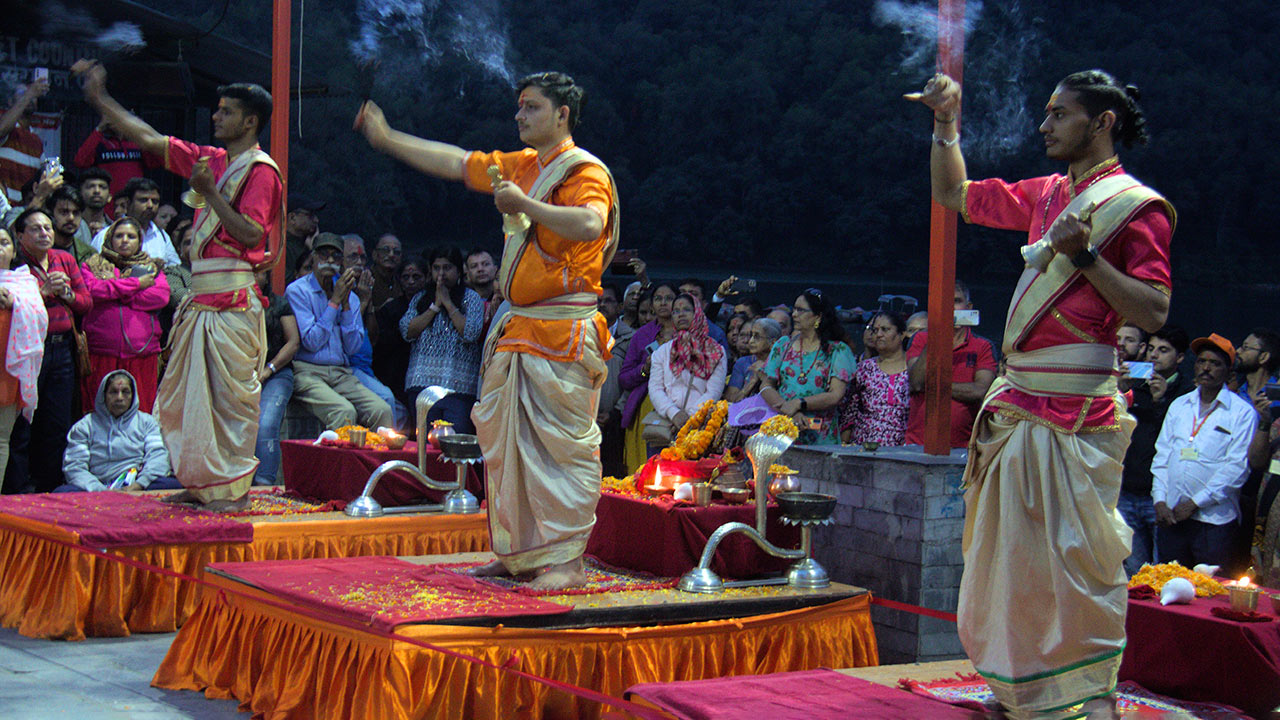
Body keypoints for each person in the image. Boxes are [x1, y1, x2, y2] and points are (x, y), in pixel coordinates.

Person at [909, 68, 1174, 717]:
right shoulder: (1046, 193)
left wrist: (1085, 257)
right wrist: (946, 123)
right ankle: (1023, 690)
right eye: (1046, 113)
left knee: (1077, 565)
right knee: (1010, 560)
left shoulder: (1136, 207)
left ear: (1102, 122)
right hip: (1019, 402)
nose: (1044, 124)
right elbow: (955, 193)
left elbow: (1155, 312)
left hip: (1080, 412)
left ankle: (1088, 697)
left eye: (1059, 114)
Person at [357, 70, 619, 589]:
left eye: (531, 107)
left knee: (562, 449)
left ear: (562, 115)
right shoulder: (521, 165)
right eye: (519, 107)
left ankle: (566, 563)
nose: (519, 116)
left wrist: (525, 206)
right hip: (519, 328)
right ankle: (519, 552)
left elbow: (590, 224)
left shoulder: (584, 171)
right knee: (506, 446)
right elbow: (456, 162)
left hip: (563, 329)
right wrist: (388, 140)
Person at [75, 59, 284, 511]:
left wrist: (208, 193)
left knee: (229, 406)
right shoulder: (211, 160)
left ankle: (231, 492)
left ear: (250, 121)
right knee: (188, 403)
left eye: (226, 112)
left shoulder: (260, 171)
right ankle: (204, 483)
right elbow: (148, 138)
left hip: (231, 303)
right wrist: (99, 99)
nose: (216, 117)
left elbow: (252, 235)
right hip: (201, 302)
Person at [5, 208, 91, 494]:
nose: (44, 233)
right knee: (23, 420)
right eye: (35, 229)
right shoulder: (15, 267)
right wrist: (43, 292)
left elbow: (85, 303)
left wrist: (64, 293)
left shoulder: (64, 259)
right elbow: (15, 308)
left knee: (57, 422)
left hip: (63, 349)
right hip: (30, 350)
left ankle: (49, 486)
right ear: (19, 236)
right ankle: (17, 487)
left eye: (47, 228)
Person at [1151, 334, 1255, 568]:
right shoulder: (1179, 405)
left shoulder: (1242, 413)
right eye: (1201, 361)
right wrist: (1159, 499)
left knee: (1209, 594)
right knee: (1168, 588)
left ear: (1229, 372)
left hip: (1213, 522)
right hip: (1172, 517)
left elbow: (1236, 468)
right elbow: (1162, 456)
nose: (1206, 368)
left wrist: (1195, 503)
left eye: (1215, 363)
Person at [286, 233, 393, 431]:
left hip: (341, 373)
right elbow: (311, 341)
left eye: (335, 256)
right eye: (323, 255)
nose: (329, 260)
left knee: (382, 410)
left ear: (341, 262)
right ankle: (340, 462)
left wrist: (344, 306)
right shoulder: (297, 291)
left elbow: (352, 347)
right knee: (344, 412)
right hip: (307, 371)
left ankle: (373, 462)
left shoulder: (350, 297)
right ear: (314, 257)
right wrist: (334, 302)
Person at [1119, 324, 1193, 575]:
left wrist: (1161, 402)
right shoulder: (1132, 386)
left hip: (1160, 499)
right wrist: (1120, 391)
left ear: (1180, 357)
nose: (1154, 355)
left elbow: (1178, 442)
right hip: (1127, 492)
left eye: (1163, 350)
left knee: (1163, 570)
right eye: (1151, 348)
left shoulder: (1187, 395)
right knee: (1133, 570)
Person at [80, 216, 169, 413]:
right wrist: (135, 285)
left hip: (142, 355)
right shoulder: (92, 265)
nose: (125, 240)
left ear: (139, 241)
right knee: (99, 411)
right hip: (101, 353)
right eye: (119, 235)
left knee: (140, 412)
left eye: (131, 236)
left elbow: (160, 297)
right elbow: (93, 291)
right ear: (110, 238)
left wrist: (117, 293)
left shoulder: (152, 268)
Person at [401, 245, 485, 432]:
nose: (441, 273)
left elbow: (471, 333)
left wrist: (448, 303)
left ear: (458, 270)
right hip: (421, 387)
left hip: (458, 391)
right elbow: (407, 331)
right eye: (436, 268)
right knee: (425, 449)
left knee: (453, 450)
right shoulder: (420, 299)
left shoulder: (471, 299)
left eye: (447, 268)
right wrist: (434, 307)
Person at [904, 282, 998, 449]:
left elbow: (980, 391)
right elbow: (917, 382)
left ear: (968, 307)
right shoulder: (921, 339)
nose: (950, 307)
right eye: (944, 301)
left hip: (964, 447)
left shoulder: (983, 346)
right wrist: (937, 335)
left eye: (956, 301)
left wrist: (933, 385)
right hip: (918, 444)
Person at [760, 288, 855, 445]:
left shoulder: (837, 351)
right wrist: (788, 409)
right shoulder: (783, 345)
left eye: (801, 310)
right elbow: (766, 385)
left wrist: (799, 403)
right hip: (783, 431)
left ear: (818, 316)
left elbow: (836, 395)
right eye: (794, 309)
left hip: (820, 436)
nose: (794, 314)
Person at [59, 370, 179, 492]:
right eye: (113, 392)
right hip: (96, 487)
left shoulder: (146, 422)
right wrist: (99, 489)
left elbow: (158, 457)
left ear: (133, 395)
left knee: (176, 485)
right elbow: (74, 466)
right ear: (103, 395)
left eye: (125, 392)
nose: (119, 398)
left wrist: (138, 484)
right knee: (62, 493)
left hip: (135, 485)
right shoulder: (85, 426)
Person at [647, 293, 727, 452]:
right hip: (666, 425)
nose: (680, 314)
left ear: (697, 313)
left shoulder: (716, 351)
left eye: (686, 310)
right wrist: (674, 414)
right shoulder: (662, 352)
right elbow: (655, 388)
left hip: (701, 428)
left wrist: (690, 418)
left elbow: (714, 391)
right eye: (676, 311)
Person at [0, 226, 47, 486]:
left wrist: (14, 304)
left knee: (0, 438)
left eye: (4, 242)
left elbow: (40, 320)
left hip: (7, 369)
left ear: (14, 250)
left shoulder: (24, 284)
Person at [620, 283, 678, 472]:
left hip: (681, 405)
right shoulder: (642, 335)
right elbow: (624, 378)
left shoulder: (689, 333)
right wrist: (644, 369)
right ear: (652, 305)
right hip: (646, 406)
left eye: (669, 298)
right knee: (643, 467)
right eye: (658, 299)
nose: (663, 303)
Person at [253, 267, 299, 485]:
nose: (253, 278)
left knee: (266, 423)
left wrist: (268, 370)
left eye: (257, 272)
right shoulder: (231, 307)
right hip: (240, 374)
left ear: (266, 276)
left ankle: (264, 484)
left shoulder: (278, 303)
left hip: (276, 373)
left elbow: (293, 343)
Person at [841, 311, 911, 446]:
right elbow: (849, 414)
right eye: (875, 330)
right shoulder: (864, 368)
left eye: (885, 330)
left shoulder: (914, 369)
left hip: (903, 451)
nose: (878, 335)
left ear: (901, 334)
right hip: (864, 448)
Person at [371, 259, 426, 419]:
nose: (411, 282)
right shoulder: (390, 308)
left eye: (416, 277)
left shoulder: (433, 306)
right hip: (394, 372)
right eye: (406, 277)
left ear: (427, 277)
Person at [90, 178, 180, 267]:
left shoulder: (162, 236)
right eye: (143, 200)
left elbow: (175, 268)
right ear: (128, 203)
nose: (150, 205)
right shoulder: (106, 235)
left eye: (155, 201)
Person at [73, 117, 154, 195]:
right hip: (108, 201)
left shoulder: (138, 142)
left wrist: (143, 131)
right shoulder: (100, 142)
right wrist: (99, 129)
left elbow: (156, 161)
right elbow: (80, 162)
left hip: (135, 200)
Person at [0, 77, 48, 205]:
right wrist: (30, 93)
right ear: (10, 102)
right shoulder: (6, 126)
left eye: (34, 95)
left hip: (24, 214)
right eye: (22, 93)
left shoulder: (36, 140)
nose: (30, 97)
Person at [726, 317, 783, 403]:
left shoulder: (782, 366)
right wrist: (752, 382)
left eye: (757, 337)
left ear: (773, 343)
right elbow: (730, 400)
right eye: (751, 335)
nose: (750, 341)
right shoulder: (743, 363)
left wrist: (765, 376)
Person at [45, 185, 96, 263]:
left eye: (76, 213)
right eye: (64, 212)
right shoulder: (40, 249)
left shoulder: (90, 254)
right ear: (52, 214)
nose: (71, 218)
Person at [283, 195, 323, 284]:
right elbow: (285, 283)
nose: (316, 220)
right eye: (309, 215)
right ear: (292, 218)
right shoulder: (281, 247)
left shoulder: (304, 245)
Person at [77, 167, 113, 235]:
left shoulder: (114, 229)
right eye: (90, 186)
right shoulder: (71, 226)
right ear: (80, 194)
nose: (97, 191)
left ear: (109, 197)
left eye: (102, 187)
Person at [370, 233, 402, 308]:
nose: (391, 255)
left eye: (396, 252)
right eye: (385, 250)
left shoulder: (402, 280)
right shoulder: (366, 279)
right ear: (375, 254)